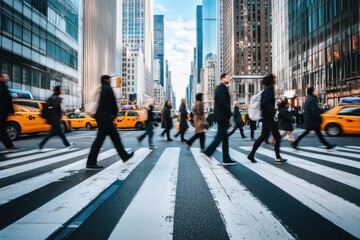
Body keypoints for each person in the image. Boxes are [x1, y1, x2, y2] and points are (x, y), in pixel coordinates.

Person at [86, 75, 134, 170]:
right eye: (109, 79)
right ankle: (91, 163)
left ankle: (124, 156)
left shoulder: (100, 89)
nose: (111, 81)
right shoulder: (108, 89)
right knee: (103, 140)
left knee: (113, 138)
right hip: (106, 118)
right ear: (106, 80)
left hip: (101, 117)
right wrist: (114, 114)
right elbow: (113, 103)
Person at [247, 74, 287, 163]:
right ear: (271, 80)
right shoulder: (270, 88)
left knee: (263, 136)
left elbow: (265, 102)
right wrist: (273, 111)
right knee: (277, 137)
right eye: (274, 79)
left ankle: (251, 154)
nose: (275, 80)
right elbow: (265, 102)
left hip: (265, 116)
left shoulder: (266, 88)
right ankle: (278, 157)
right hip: (268, 117)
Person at [202, 73, 236, 165]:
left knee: (224, 138)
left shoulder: (222, 88)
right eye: (227, 77)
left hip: (222, 116)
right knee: (220, 136)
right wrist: (229, 112)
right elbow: (223, 102)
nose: (229, 78)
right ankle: (208, 152)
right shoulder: (221, 88)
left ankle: (226, 158)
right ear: (222, 78)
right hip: (222, 116)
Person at [37, 86, 74, 151]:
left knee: (59, 133)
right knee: (52, 133)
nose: (62, 91)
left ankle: (67, 144)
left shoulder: (51, 98)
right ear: (58, 91)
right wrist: (60, 115)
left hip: (52, 118)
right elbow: (59, 110)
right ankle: (40, 145)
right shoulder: (57, 99)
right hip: (55, 119)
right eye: (61, 90)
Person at [0, 74, 17, 153]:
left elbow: (7, 100)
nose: (7, 78)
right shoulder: (2, 87)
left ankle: (10, 146)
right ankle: (9, 146)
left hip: (2, 113)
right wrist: (10, 111)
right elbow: (7, 101)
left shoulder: (3, 86)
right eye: (5, 77)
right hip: (2, 113)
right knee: (2, 130)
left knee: (2, 130)